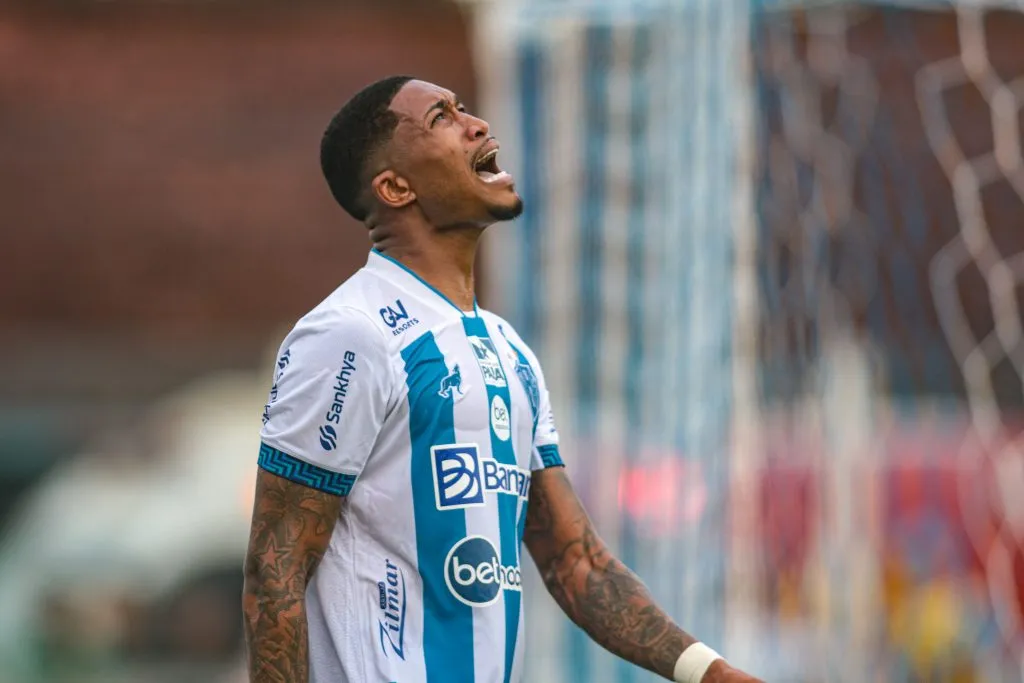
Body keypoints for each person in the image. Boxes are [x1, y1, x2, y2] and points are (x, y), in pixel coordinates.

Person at [242, 75, 762, 683]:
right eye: (441, 117)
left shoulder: (508, 350)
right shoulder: (351, 334)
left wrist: (709, 672)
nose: (477, 124)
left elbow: (576, 562)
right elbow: (275, 567)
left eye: (463, 107)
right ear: (396, 187)